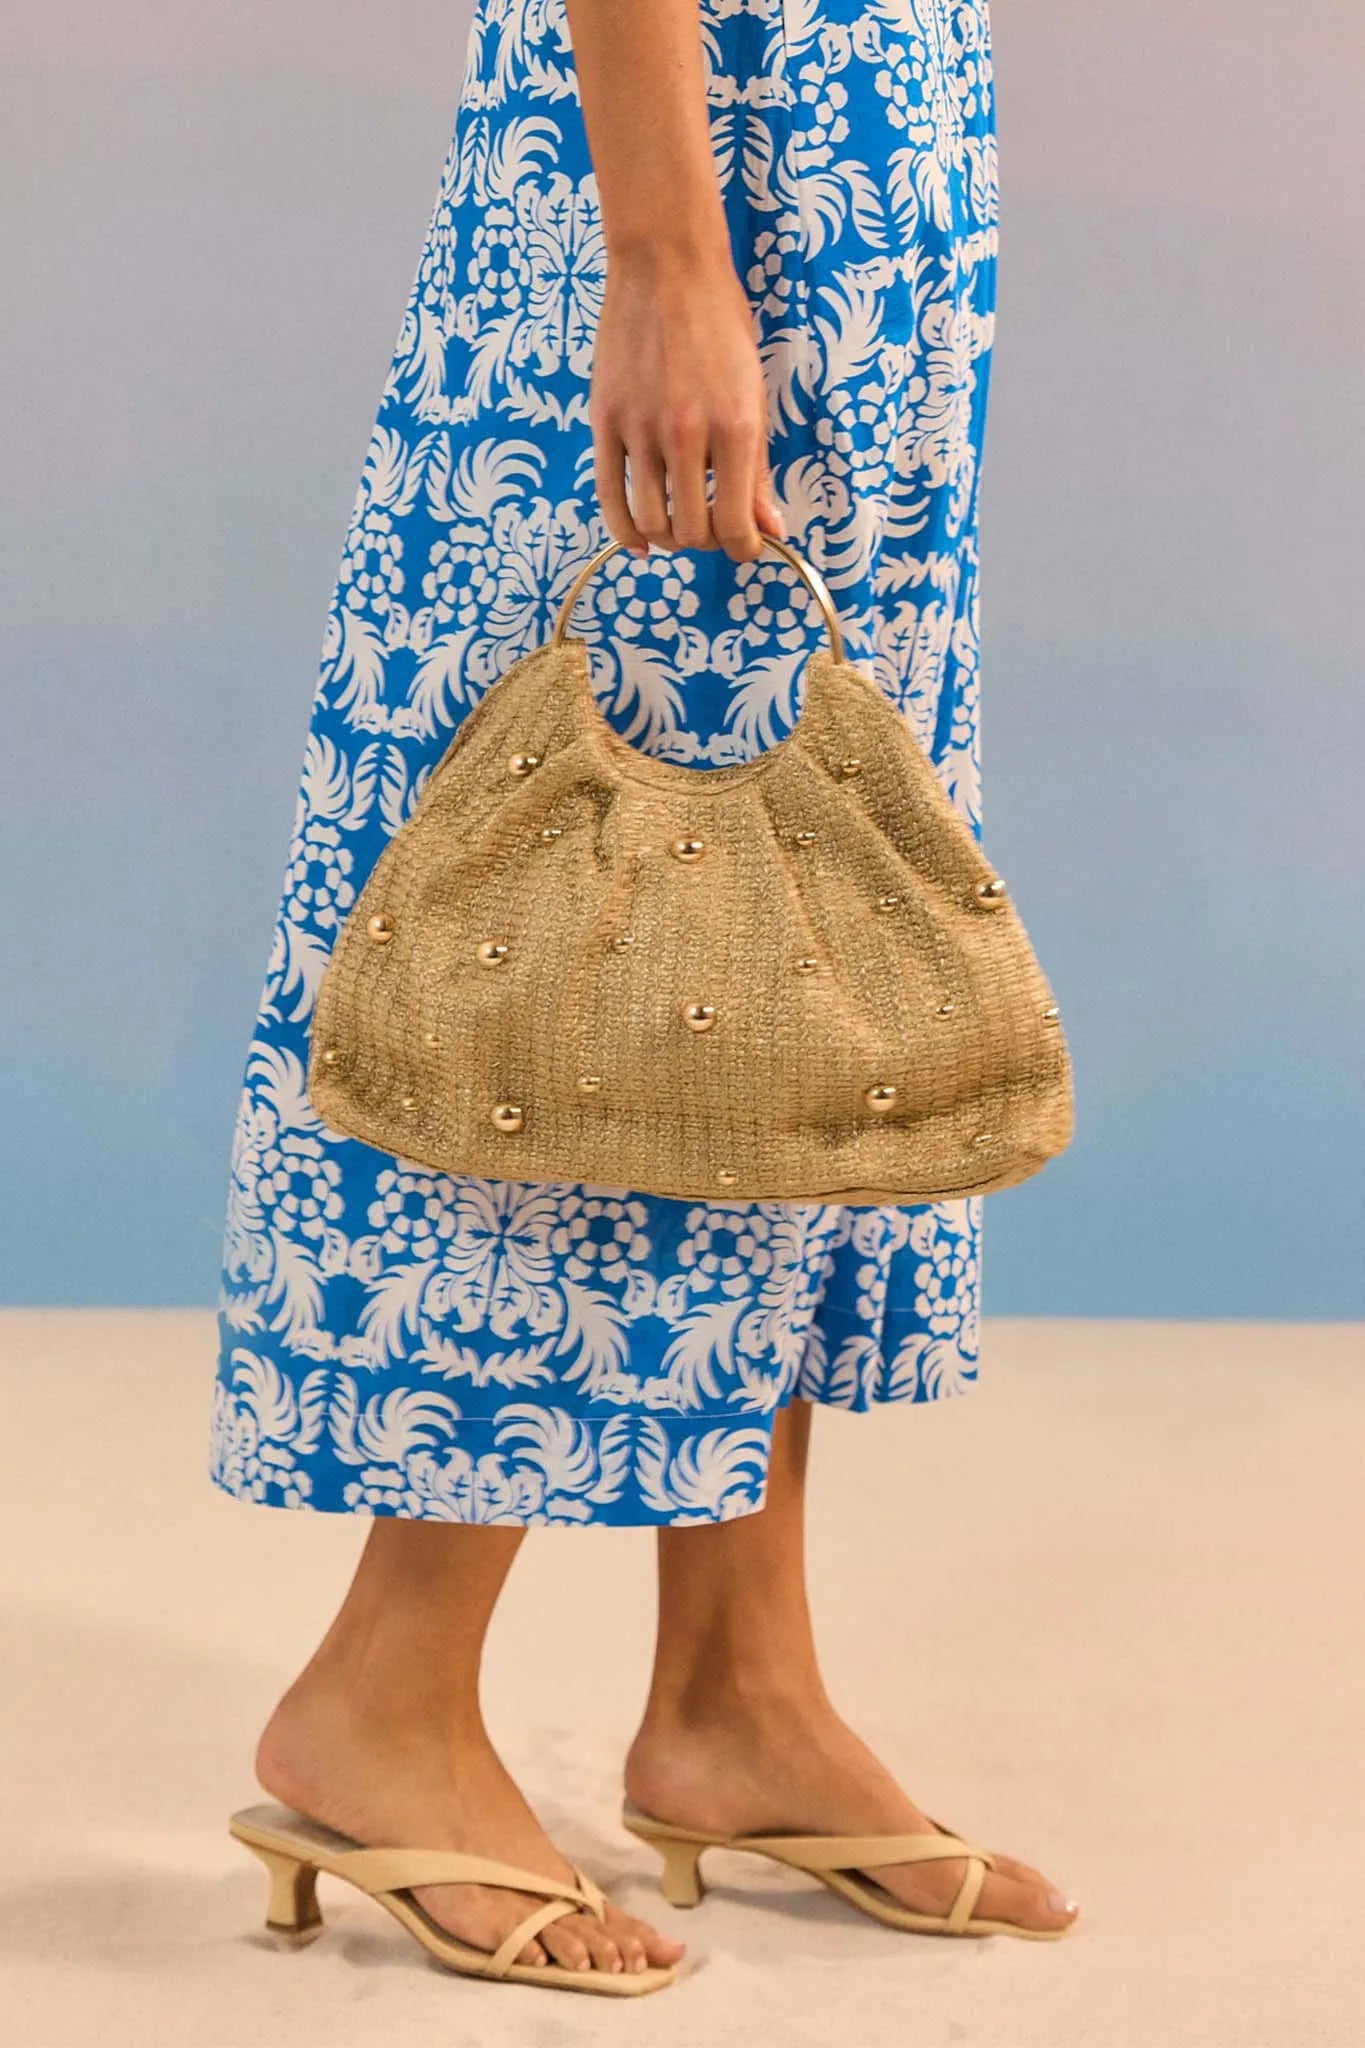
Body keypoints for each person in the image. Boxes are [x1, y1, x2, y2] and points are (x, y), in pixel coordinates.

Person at [212, 0, 1079, 1998]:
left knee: (798, 920)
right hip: (702, 151)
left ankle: (734, 1690)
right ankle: (383, 1697)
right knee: (584, 917)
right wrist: (666, 259)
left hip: (874, 179)